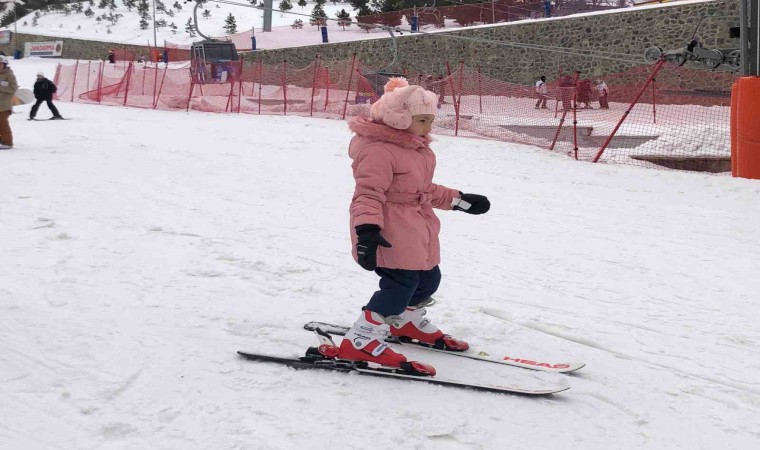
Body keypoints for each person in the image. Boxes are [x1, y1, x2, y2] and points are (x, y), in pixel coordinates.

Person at [341, 77, 491, 371]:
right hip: (388, 229)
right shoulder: (377, 151)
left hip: (416, 226)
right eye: (422, 120)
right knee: (400, 286)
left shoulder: (416, 149)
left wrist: (460, 200)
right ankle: (361, 340)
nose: (429, 127)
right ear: (398, 120)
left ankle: (406, 322)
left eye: (430, 119)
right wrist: (367, 232)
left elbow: (422, 189)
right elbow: (368, 195)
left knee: (428, 279)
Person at [0, 55, 18, 149]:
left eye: (1, 64)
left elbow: (13, 88)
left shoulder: (9, 75)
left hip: (4, 105)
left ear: (5, 65)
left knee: (2, 124)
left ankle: (7, 142)